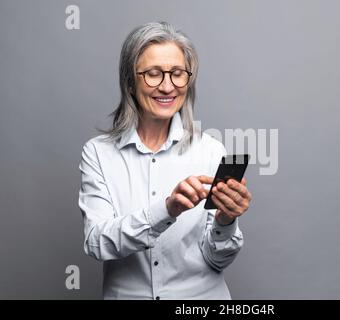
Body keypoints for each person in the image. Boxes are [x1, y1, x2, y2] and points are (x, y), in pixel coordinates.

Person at [78, 22, 252, 299]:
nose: (167, 86)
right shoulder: (98, 153)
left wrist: (226, 220)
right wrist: (166, 210)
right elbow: (97, 243)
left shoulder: (210, 151)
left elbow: (217, 260)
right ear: (129, 82)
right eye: (153, 74)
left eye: (177, 74)